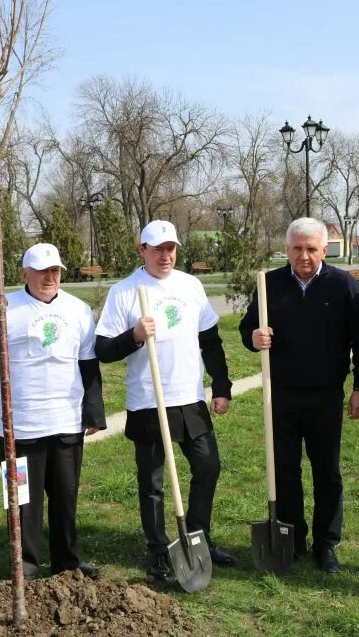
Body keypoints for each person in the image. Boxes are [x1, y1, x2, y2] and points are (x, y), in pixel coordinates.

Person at [0, 243, 105, 580]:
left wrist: (93, 413)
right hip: (19, 428)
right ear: (24, 273)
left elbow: (88, 363)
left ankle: (67, 562)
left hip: (66, 423)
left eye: (55, 271)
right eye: (42, 271)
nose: (50, 277)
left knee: (66, 498)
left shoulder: (79, 310)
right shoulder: (2, 308)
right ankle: (25, 562)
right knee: (21, 500)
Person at [94, 219, 234, 581]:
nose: (165, 255)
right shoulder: (125, 291)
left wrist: (221, 385)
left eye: (170, 248)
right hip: (148, 400)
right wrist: (135, 336)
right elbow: (104, 349)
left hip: (189, 396)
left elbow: (210, 340)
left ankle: (199, 537)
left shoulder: (191, 285)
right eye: (157, 249)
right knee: (153, 483)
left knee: (208, 467)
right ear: (142, 250)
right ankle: (158, 550)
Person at [238, 217, 359, 573]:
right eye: (297, 248)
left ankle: (326, 545)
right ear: (287, 250)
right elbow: (247, 326)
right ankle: (292, 538)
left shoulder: (343, 286)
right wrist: (253, 337)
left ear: (324, 250)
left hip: (326, 394)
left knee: (327, 472)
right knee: (284, 471)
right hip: (280, 395)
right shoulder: (269, 284)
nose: (304, 256)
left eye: (311, 249)